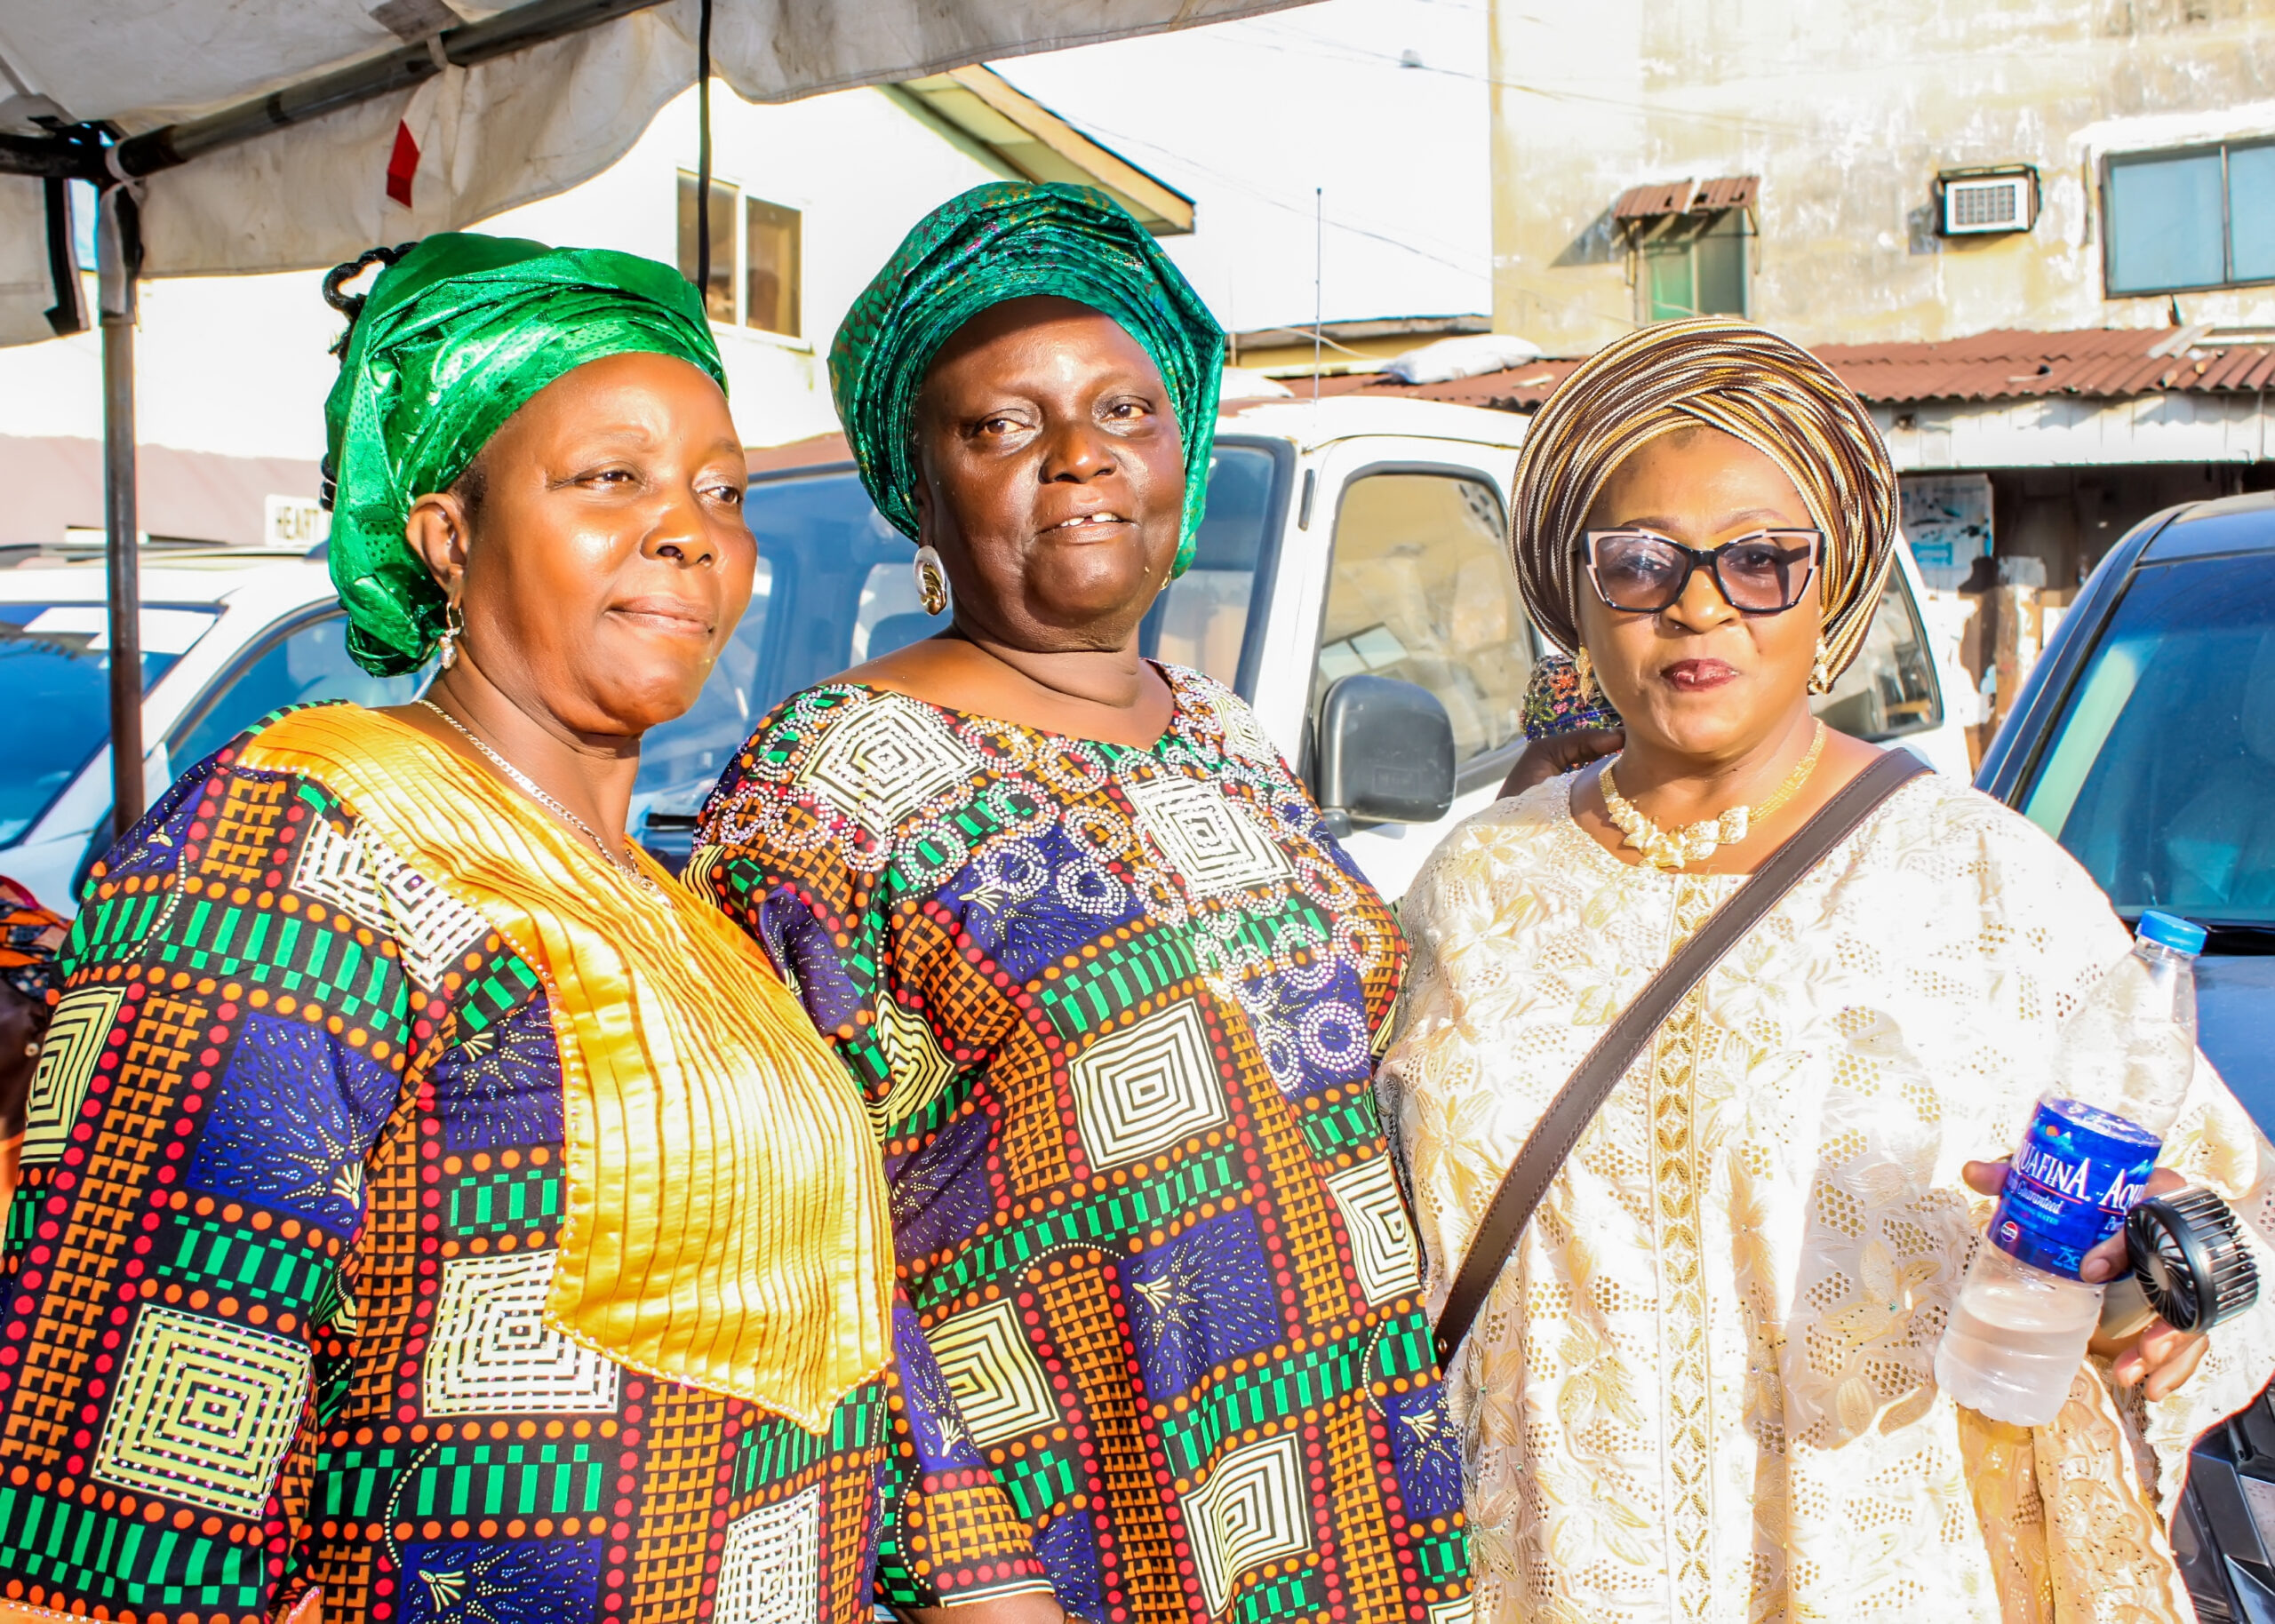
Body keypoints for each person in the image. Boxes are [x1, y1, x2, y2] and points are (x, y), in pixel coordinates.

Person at [0, 235, 897, 1623]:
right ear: (448, 534)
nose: (690, 529)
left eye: (719, 490)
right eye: (610, 477)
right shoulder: (303, 840)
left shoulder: (689, 916)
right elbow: (118, 1476)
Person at [1378, 315, 2275, 1623]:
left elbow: (2219, 1223)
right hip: (1552, 1575)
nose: (1698, 605)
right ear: (1576, 594)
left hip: (1879, 1569)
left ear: (1831, 585)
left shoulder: (1983, 883)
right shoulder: (1475, 889)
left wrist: (2143, 1280)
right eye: (1640, 561)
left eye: (1759, 560)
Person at [688, 182, 1472, 1624]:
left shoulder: (1224, 733)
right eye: (1003, 426)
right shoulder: (825, 787)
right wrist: (970, 1575)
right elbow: (783, 1236)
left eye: (1126, 412)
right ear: (919, 487)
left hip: (1361, 1510)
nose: (1079, 457)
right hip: (1077, 1551)